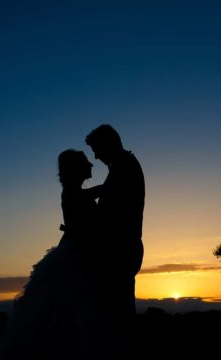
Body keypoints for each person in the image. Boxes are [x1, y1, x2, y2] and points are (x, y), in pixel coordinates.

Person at [0, 149, 100, 359]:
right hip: (75, 257)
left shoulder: (74, 191)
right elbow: (88, 209)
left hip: (75, 253)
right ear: (75, 168)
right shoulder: (72, 192)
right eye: (86, 163)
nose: (91, 165)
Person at [85, 124, 145, 352]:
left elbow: (113, 212)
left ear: (109, 145)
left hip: (120, 250)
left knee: (118, 316)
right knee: (117, 313)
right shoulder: (123, 166)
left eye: (97, 149)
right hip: (123, 249)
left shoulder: (125, 167)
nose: (96, 156)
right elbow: (112, 193)